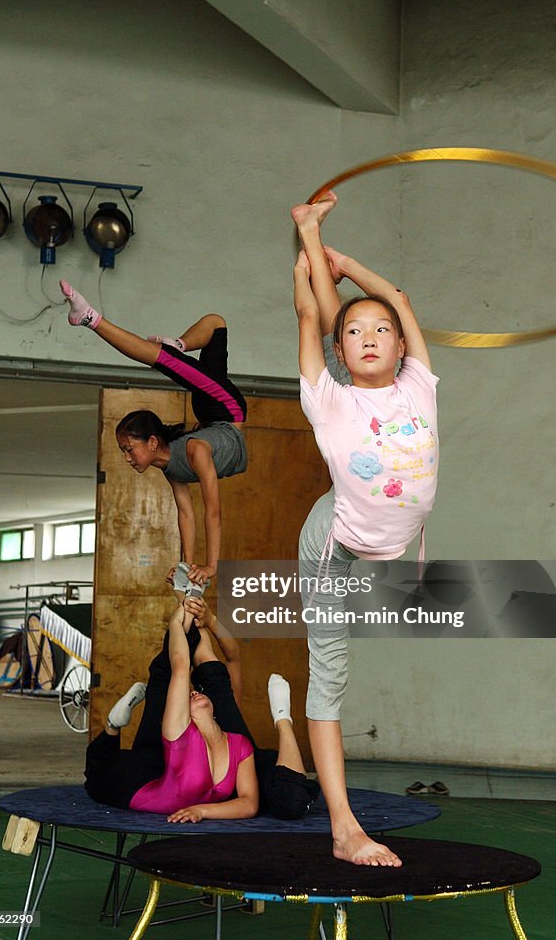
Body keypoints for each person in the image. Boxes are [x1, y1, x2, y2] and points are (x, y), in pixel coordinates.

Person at [291, 191, 439, 867]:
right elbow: (313, 322)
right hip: (332, 544)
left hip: (382, 543)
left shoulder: (418, 386)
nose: (370, 335)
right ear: (340, 351)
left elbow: (400, 299)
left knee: (359, 300)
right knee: (331, 675)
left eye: (380, 329)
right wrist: (308, 272)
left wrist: (343, 259)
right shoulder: (329, 398)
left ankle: (311, 226)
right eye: (354, 332)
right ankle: (344, 829)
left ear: (401, 345)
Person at [59, 281, 247, 587]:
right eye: (124, 451)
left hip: (228, 410)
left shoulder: (195, 449)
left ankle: (90, 318)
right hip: (215, 414)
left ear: (152, 441)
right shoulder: (172, 463)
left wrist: (212, 565)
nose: (127, 457)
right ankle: (180, 347)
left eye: (129, 448)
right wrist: (185, 567)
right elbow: (185, 515)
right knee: (215, 324)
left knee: (164, 358)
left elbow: (213, 511)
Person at [84, 593, 319, 821]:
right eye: (190, 695)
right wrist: (177, 620)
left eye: (195, 691)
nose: (194, 691)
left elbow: (249, 803)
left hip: (194, 770)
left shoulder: (239, 742)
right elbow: (181, 663)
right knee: (95, 775)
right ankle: (114, 724)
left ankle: (282, 716)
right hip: (145, 783)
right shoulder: (181, 734)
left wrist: (202, 811)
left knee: (292, 799)